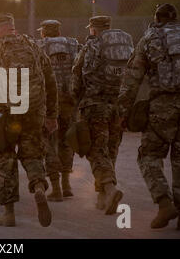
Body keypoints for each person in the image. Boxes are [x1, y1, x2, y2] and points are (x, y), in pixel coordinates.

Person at [118, 3, 180, 231]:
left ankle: (164, 203)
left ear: (157, 19)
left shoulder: (151, 37)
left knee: (149, 155)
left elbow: (132, 78)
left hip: (163, 106)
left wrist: (123, 112)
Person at [0, 13, 59, 227]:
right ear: (13, 28)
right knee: (32, 154)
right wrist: (51, 115)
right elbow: (50, 79)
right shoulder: (32, 46)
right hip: (33, 111)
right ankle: (39, 187)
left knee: (5, 158)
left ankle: (9, 213)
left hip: (5, 115)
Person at [71, 16, 133, 214]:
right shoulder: (123, 46)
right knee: (111, 148)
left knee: (96, 150)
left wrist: (76, 100)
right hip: (118, 105)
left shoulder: (91, 46)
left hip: (95, 105)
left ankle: (109, 187)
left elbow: (77, 77)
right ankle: (103, 196)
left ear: (94, 30)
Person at [37, 19, 79, 201]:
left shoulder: (39, 46)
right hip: (69, 100)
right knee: (66, 141)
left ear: (44, 32)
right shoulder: (72, 44)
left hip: (48, 102)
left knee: (48, 142)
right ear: (59, 31)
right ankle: (67, 184)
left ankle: (55, 188)